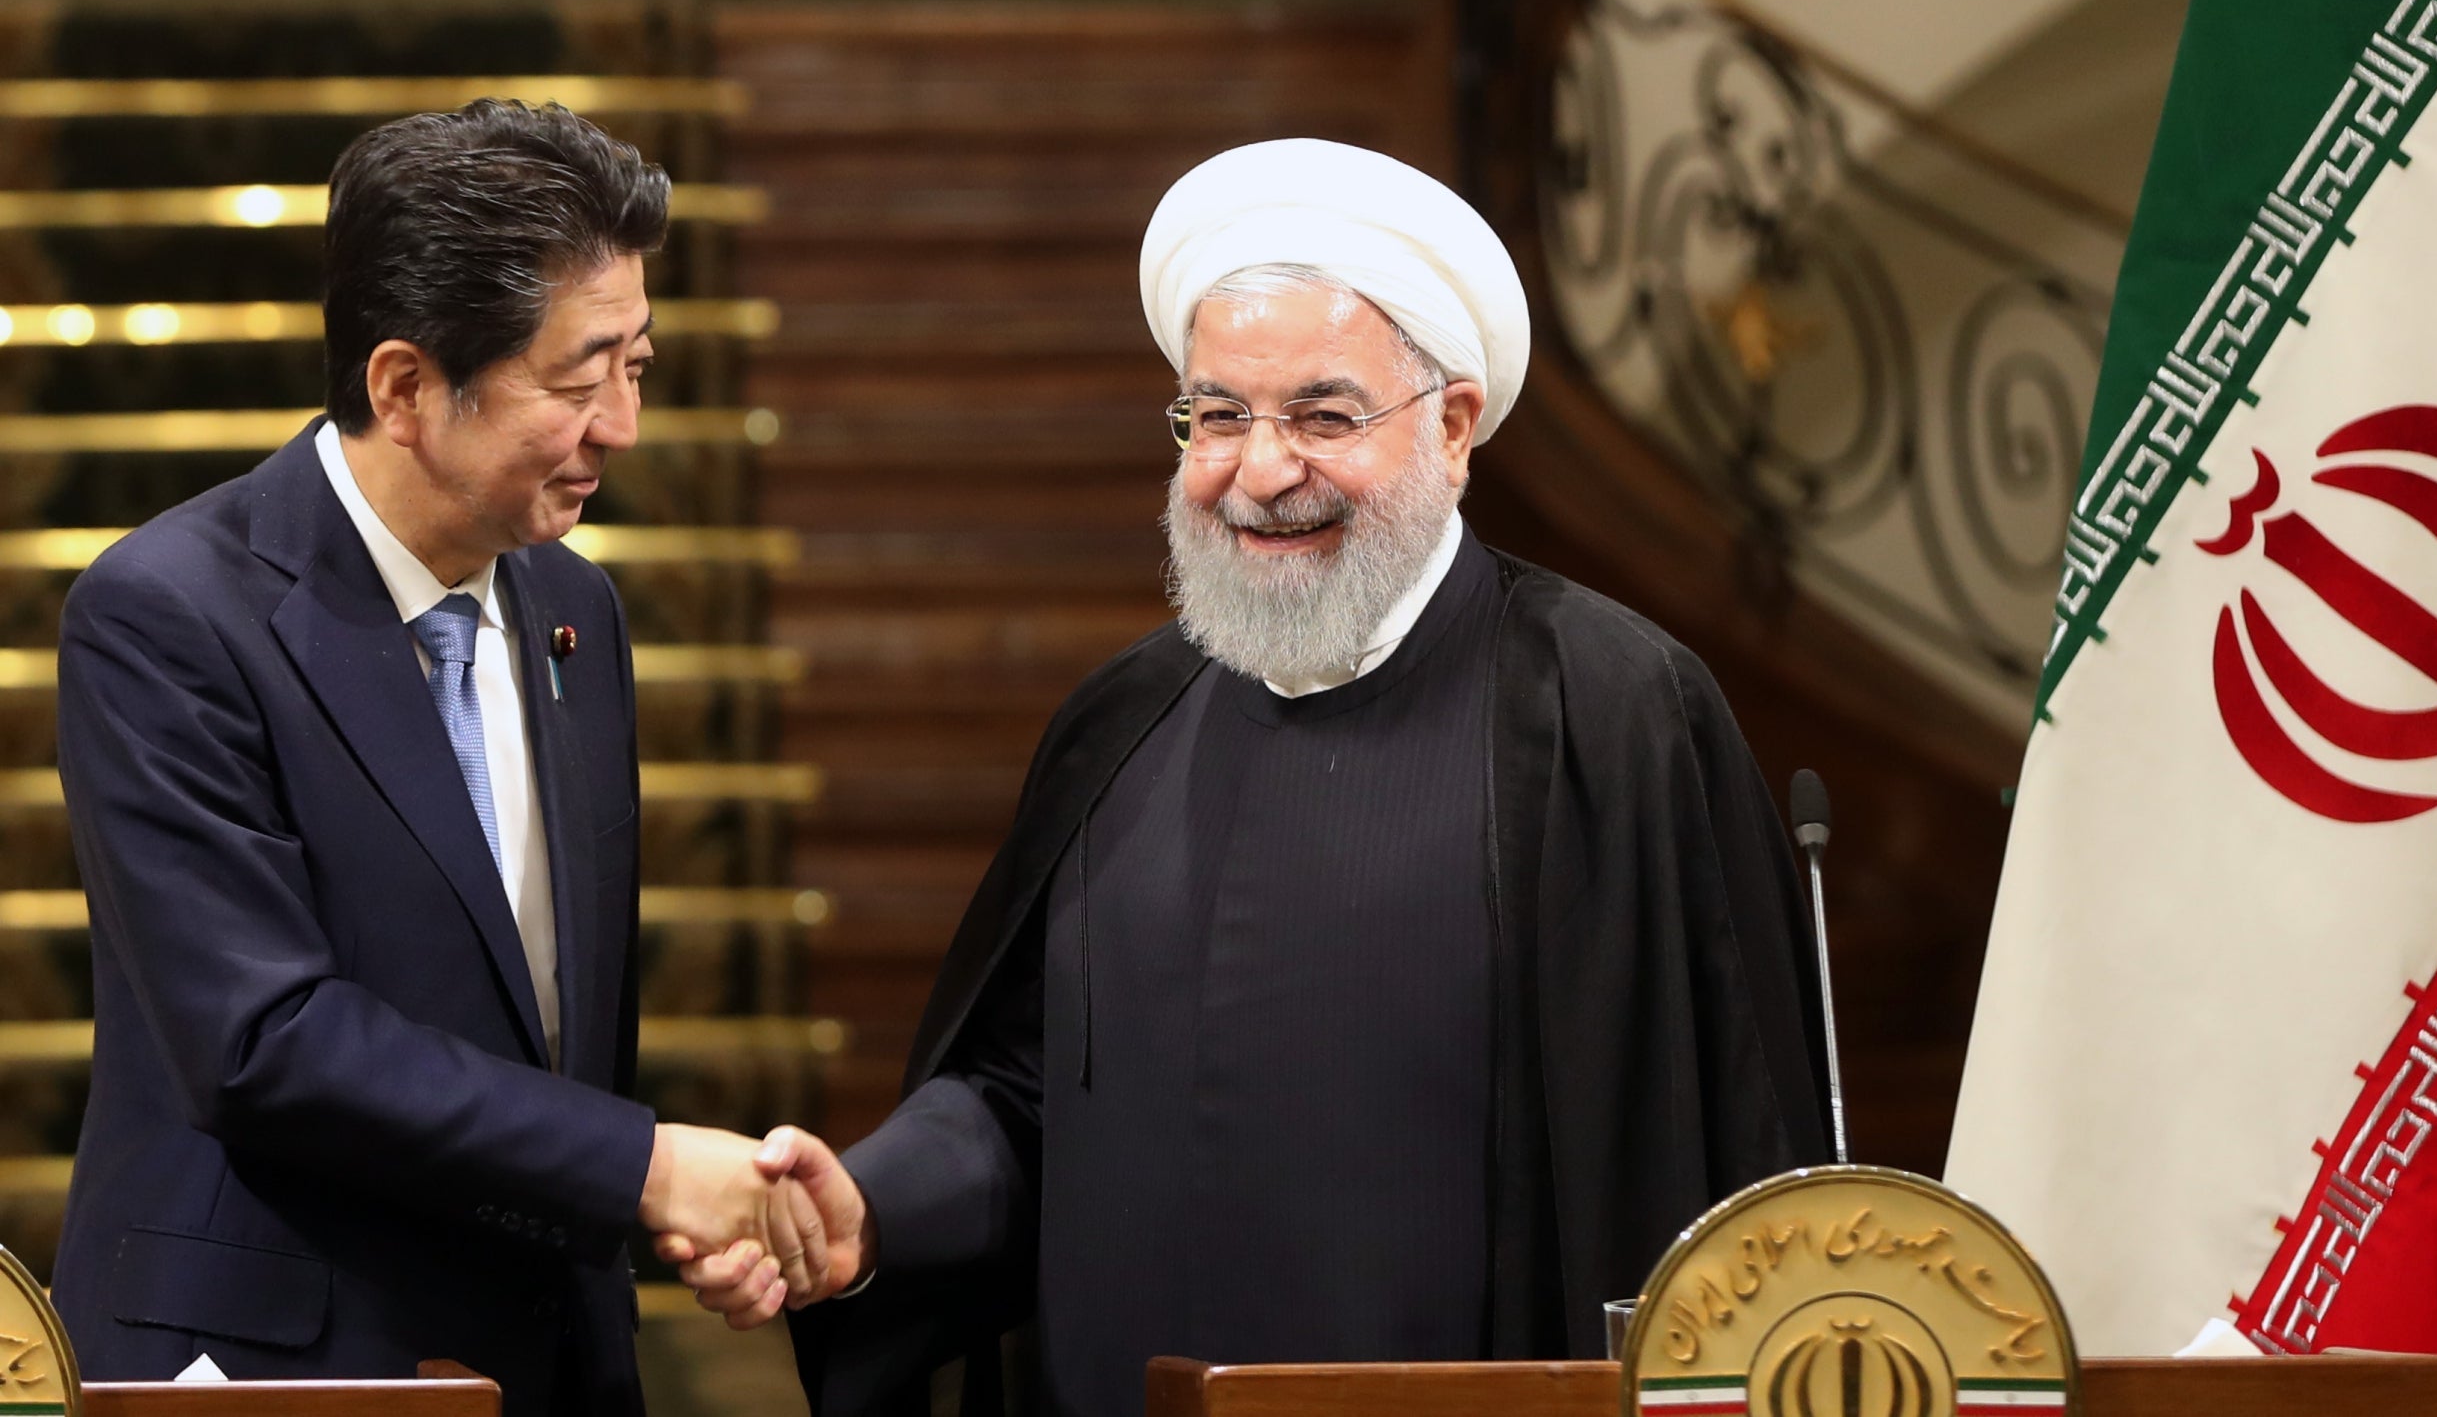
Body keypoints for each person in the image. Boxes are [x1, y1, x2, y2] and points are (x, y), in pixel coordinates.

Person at [673, 138, 1834, 1417]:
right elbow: (1027, 1099)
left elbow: (1733, 1163)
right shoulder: (1119, 722)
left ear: (1451, 427)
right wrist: (875, 1207)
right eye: (1217, 415)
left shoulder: (1608, 714)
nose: (1262, 469)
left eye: (1323, 415)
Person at [49, 101, 815, 1415]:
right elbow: (263, 1041)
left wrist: (677, 1211)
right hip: (269, 1359)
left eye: (639, 363)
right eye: (578, 382)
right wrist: (644, 1165)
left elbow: (549, 1030)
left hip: (547, 1353)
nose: (623, 427)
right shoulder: (169, 614)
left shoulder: (580, 607)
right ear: (405, 386)